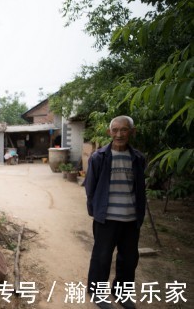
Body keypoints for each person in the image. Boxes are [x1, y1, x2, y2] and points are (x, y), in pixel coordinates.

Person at [85, 116, 146, 309]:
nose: (119, 134)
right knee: (102, 257)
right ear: (109, 133)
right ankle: (98, 292)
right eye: (115, 130)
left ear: (132, 132)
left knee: (129, 259)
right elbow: (90, 187)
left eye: (124, 130)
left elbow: (139, 188)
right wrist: (96, 212)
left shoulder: (137, 158)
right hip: (106, 218)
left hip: (131, 218)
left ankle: (122, 293)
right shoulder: (99, 157)